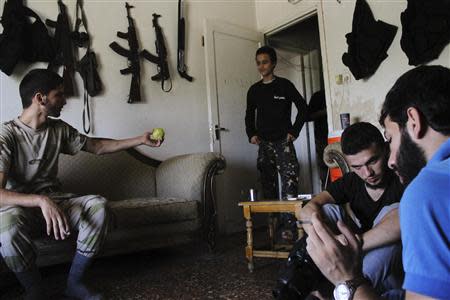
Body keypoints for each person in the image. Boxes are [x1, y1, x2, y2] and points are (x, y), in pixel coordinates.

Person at [0, 69, 163, 300]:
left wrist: (140, 139)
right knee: (6, 230)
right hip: (20, 207)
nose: (65, 100)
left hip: (57, 201)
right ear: (40, 98)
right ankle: (34, 290)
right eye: (59, 94)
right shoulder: (6, 135)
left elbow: (97, 147)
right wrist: (39, 200)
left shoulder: (58, 129)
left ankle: (74, 283)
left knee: (98, 207)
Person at [305, 65, 450, 300]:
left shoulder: (426, 189)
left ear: (413, 121)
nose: (392, 160)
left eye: (391, 140)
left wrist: (347, 281)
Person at [274, 122, 404, 299]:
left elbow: (402, 222)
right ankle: (297, 280)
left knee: (395, 211)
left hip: (388, 266)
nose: (367, 173)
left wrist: (351, 243)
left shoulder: (402, 176)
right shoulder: (351, 181)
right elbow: (307, 209)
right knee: (326, 210)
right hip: (354, 259)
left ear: (385, 150)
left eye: (372, 161)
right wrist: (327, 241)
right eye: (357, 167)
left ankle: (346, 292)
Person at [245, 45, 308, 201]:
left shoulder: (285, 85)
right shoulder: (254, 90)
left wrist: (294, 131)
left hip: (284, 142)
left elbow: (303, 108)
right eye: (258, 62)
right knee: (267, 187)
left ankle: (290, 225)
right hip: (264, 144)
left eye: (265, 62)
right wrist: (251, 134)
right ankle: (272, 224)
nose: (261, 66)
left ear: (273, 63)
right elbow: (249, 115)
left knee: (290, 186)